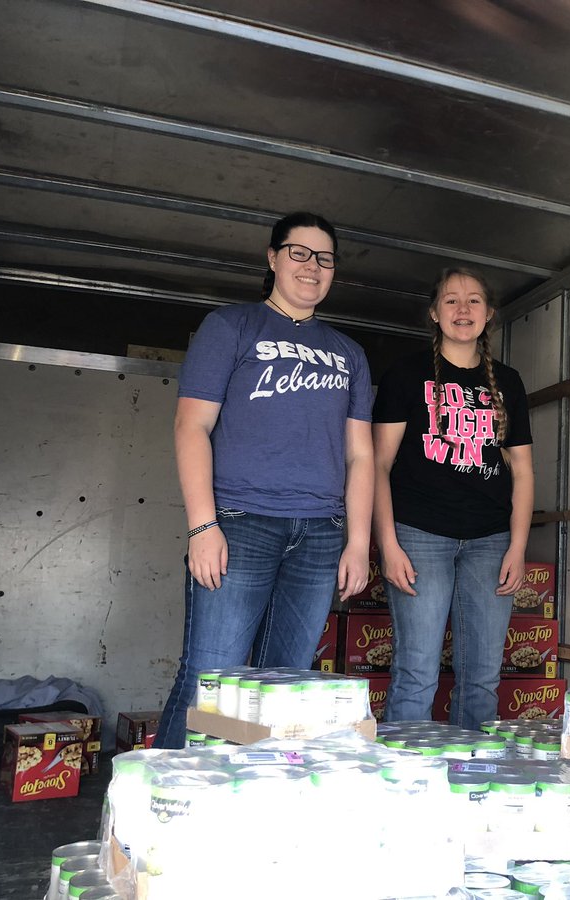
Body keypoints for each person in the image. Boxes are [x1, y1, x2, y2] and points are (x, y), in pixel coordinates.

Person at [154, 211, 374, 748]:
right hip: (239, 524)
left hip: (320, 532)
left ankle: (253, 803)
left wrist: (359, 542)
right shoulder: (231, 326)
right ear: (272, 258)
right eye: (299, 252)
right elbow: (192, 426)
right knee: (213, 677)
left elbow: (361, 456)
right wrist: (202, 526)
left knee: (286, 683)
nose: (311, 266)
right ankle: (160, 810)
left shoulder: (349, 353)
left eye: (324, 258)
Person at [373, 267, 534, 730]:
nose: (463, 310)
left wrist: (517, 549)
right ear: (433, 313)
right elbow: (377, 465)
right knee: (416, 671)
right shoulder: (406, 375)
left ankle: (471, 781)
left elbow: (522, 470)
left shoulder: (508, 382)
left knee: (482, 676)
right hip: (420, 535)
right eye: (451, 300)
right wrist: (389, 545)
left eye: (473, 301)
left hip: (490, 540)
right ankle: (405, 783)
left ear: (489, 314)